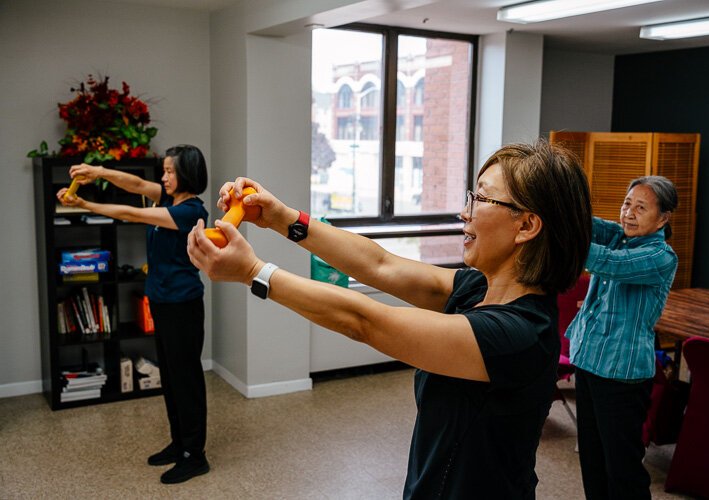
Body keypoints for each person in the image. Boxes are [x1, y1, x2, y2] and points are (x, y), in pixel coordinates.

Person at [187, 140, 592, 499]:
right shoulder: (476, 288)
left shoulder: (519, 335)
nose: (464, 213)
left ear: (526, 225)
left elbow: (364, 321)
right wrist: (279, 217)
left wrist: (253, 272)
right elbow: (379, 265)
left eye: (482, 200)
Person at [57, 145, 210, 485]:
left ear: (186, 173)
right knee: (170, 377)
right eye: (164, 170)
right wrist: (97, 172)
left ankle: (195, 456)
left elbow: (134, 214)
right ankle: (179, 444)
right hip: (162, 300)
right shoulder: (170, 199)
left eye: (170, 171)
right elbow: (135, 185)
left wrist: (84, 204)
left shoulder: (190, 212)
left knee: (185, 379)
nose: (163, 176)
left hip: (183, 304)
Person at [566, 175, 679, 500]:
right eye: (627, 203)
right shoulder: (619, 235)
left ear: (663, 218)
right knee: (592, 458)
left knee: (622, 468)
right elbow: (585, 224)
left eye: (641, 207)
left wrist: (564, 237)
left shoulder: (660, 257)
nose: (628, 213)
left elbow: (608, 263)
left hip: (622, 376)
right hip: (588, 363)